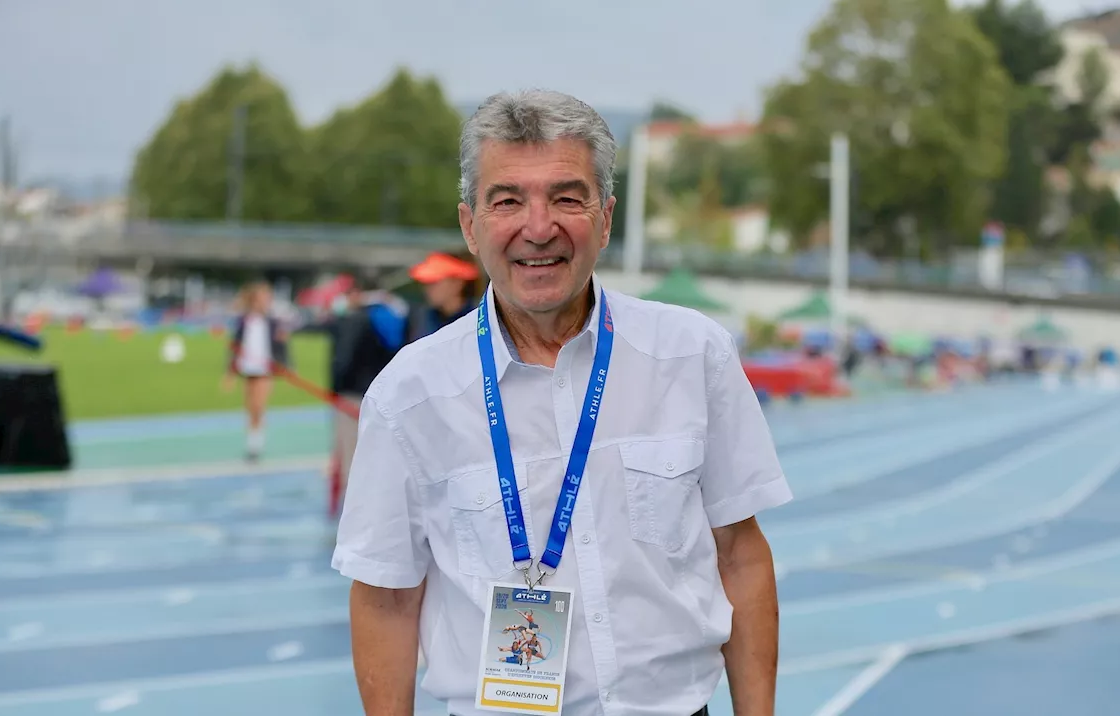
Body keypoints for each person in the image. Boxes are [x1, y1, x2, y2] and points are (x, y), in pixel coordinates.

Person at [332, 89, 792, 716]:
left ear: (605, 219)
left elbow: (740, 554)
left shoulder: (693, 354)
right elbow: (385, 598)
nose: (539, 227)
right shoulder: (408, 395)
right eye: (508, 200)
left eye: (567, 198)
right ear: (470, 225)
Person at [323, 275, 408, 513]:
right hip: (384, 392)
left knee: (351, 453)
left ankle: (354, 512)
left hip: (353, 393)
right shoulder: (393, 313)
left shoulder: (356, 318)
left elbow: (344, 358)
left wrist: (337, 388)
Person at [223, 281, 289, 461]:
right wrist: (230, 372)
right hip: (247, 368)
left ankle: (256, 445)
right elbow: (234, 346)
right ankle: (252, 442)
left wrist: (285, 366)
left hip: (264, 370)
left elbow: (281, 345)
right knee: (250, 408)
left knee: (259, 407)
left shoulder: (272, 322)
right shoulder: (244, 321)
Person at [404, 251, 481, 343]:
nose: (428, 290)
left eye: (434, 282)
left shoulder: (480, 317)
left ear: (457, 283)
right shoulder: (420, 319)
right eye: (426, 284)